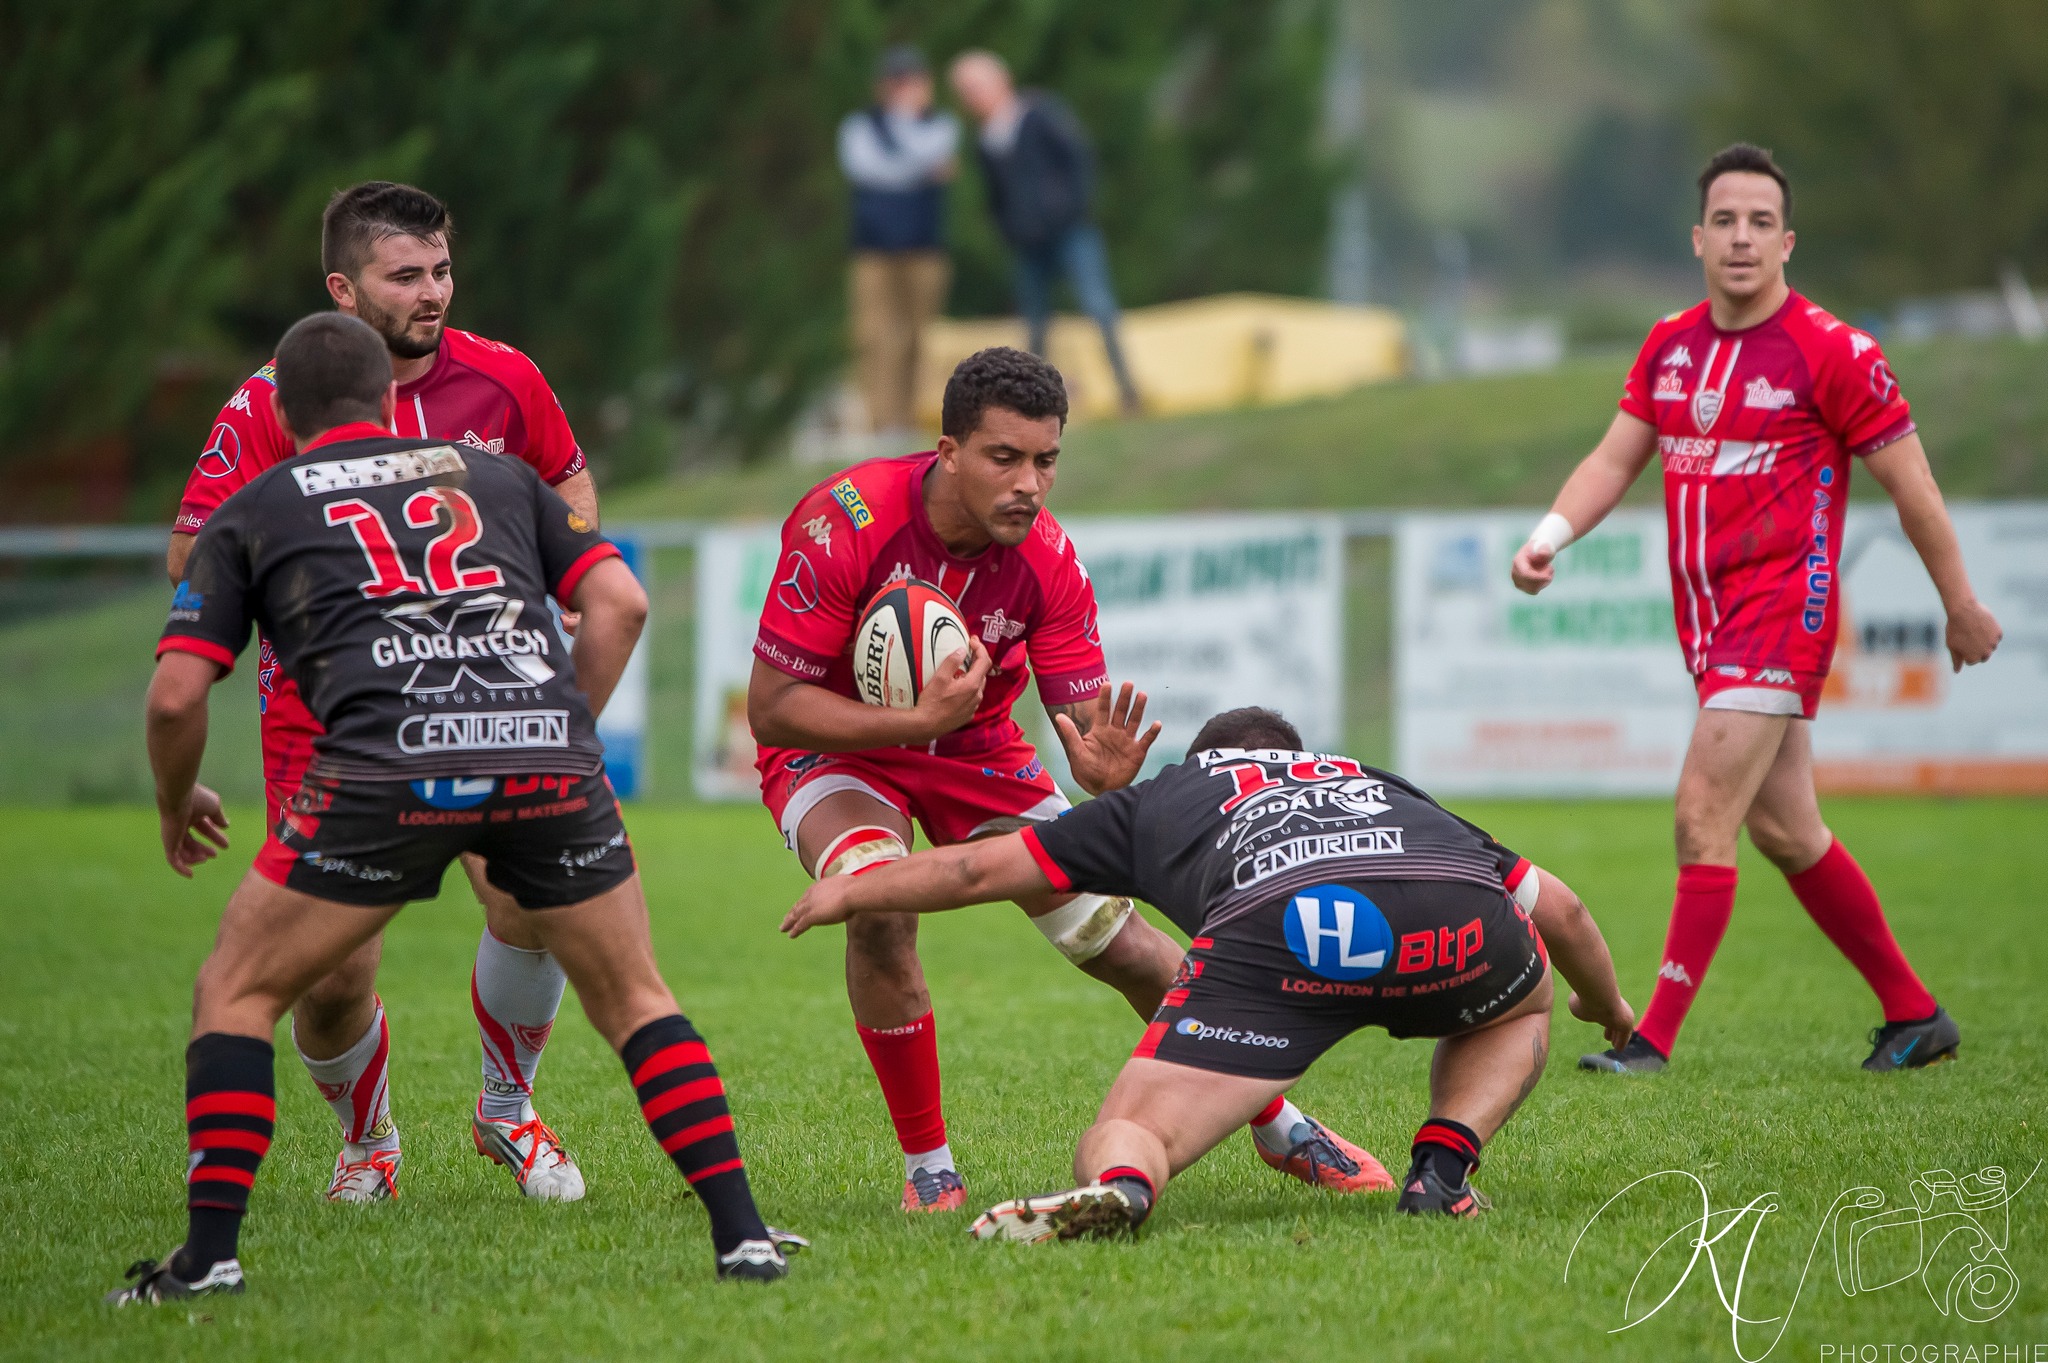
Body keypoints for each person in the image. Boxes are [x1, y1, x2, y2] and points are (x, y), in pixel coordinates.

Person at [110, 313, 801, 1304]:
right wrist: (560, 725)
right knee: (638, 997)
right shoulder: (493, 476)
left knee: (236, 992)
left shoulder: (256, 508)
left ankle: (209, 1259)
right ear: (391, 397)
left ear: (282, 412)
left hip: (381, 766)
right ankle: (742, 1240)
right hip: (540, 757)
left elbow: (177, 695)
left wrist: (178, 804)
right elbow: (622, 604)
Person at [748, 347, 1389, 1214]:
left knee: (1119, 941)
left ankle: (1279, 1124)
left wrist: (1101, 772)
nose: (1030, 484)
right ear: (948, 452)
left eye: (1046, 460)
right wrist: (911, 724)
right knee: (880, 903)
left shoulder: (1047, 557)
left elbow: (1082, 722)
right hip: (835, 753)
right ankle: (929, 1168)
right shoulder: (846, 519)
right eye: (1004, 458)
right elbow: (774, 708)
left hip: (977, 752)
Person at [1510, 143, 2003, 1075]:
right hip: (1710, 622)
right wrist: (1550, 534)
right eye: (1726, 221)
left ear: (1787, 242)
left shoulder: (1834, 352)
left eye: (1761, 223)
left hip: (1784, 612)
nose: (1742, 238)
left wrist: (1961, 603)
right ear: (1699, 238)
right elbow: (1615, 458)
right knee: (1786, 829)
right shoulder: (1670, 343)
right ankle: (1914, 1013)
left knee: (1703, 815)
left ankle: (1646, 1039)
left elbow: (1915, 487)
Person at [780, 707, 1636, 1238]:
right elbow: (1560, 911)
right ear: (1297, 755)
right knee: (1518, 1008)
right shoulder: (1370, 778)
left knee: (1136, 1132)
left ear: (1199, 762)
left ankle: (1121, 1186)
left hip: (1279, 938)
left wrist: (852, 888)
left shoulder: (1164, 798)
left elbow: (976, 871)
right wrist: (1608, 1005)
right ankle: (1441, 1173)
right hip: (1447, 916)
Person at [168, 182, 600, 1203]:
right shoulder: (274, 400)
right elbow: (192, 549)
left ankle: (507, 1108)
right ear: (342, 288)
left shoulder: (504, 379)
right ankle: (368, 1139)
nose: (433, 292)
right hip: (329, 721)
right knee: (329, 976)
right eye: (405, 275)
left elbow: (570, 487)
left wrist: (557, 576)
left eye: (441, 269)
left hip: (484, 694)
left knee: (531, 900)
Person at [948, 51, 1142, 415]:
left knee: (1097, 306)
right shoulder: (985, 140)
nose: (972, 97)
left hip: (1070, 231)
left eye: (976, 86)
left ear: (1001, 80)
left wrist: (1072, 209)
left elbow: (1079, 159)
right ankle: (1035, 408)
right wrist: (1009, 229)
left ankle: (1128, 390)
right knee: (1035, 325)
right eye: (965, 91)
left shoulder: (1040, 114)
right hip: (1027, 243)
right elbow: (996, 197)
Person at [839, 45, 959, 436]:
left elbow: (933, 154)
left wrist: (905, 143)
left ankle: (911, 417)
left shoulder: (941, 124)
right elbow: (867, 168)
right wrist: (921, 167)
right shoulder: (859, 126)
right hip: (872, 247)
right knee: (873, 334)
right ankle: (880, 419)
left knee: (919, 334)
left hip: (924, 246)